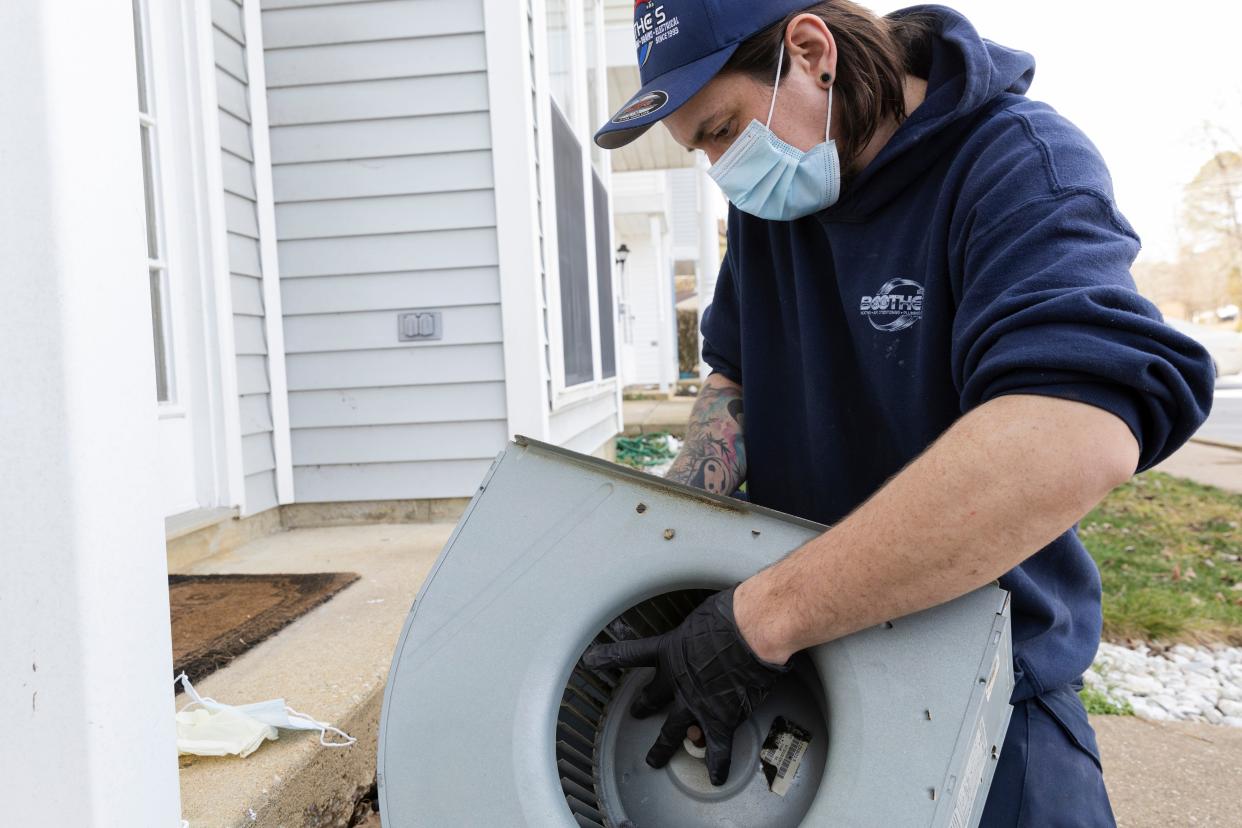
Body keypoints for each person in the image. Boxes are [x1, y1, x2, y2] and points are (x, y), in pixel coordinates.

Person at [582, 1, 1215, 824]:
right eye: (702, 145)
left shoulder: (1015, 162)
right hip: (804, 678)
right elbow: (735, 381)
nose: (721, 165)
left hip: (984, 700)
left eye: (722, 128)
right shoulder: (774, 203)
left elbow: (1072, 431)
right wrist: (655, 559)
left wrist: (763, 617)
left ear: (812, 53)